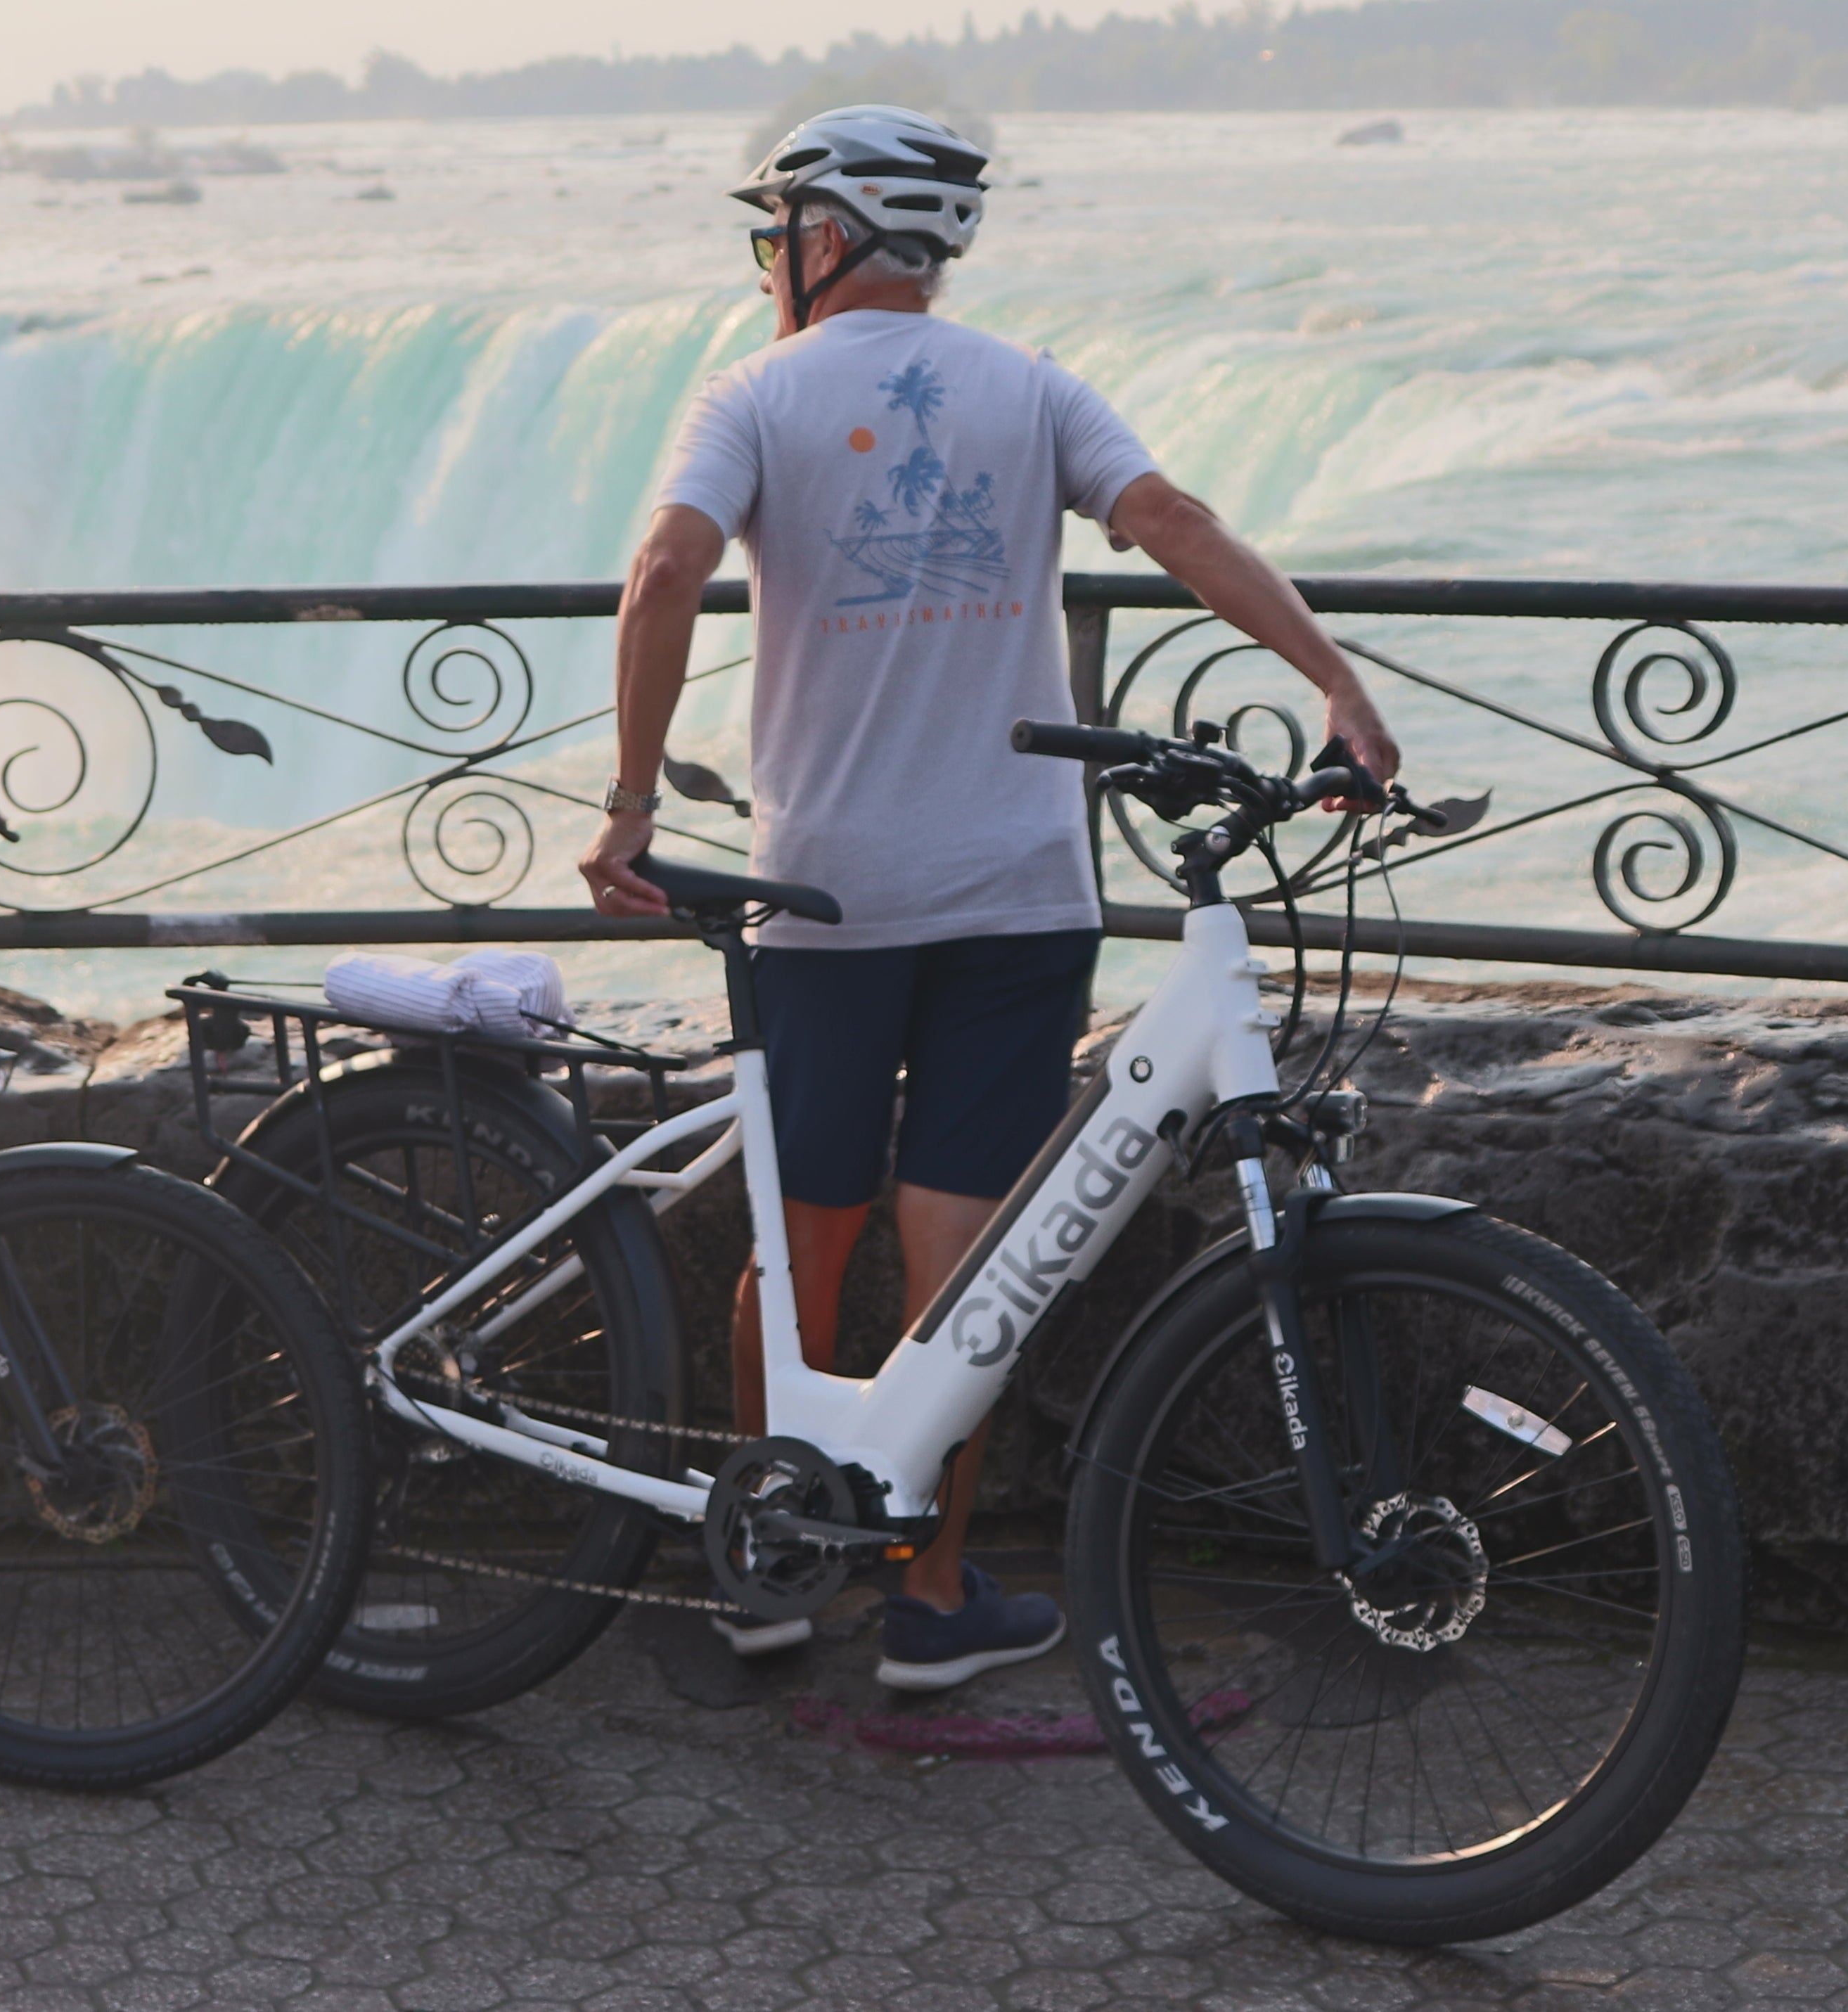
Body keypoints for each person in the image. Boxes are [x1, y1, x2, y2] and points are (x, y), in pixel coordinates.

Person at [576, 107, 1401, 1691]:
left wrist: (627, 802)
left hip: (823, 889)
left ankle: (767, 1566)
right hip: (1018, 891)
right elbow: (1172, 524)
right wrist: (1333, 682)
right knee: (967, 1257)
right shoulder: (1030, 386)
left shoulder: (752, 392)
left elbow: (663, 571)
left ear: (823, 239)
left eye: (774, 234)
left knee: (799, 1237)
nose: (767, 265)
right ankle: (932, 1597)